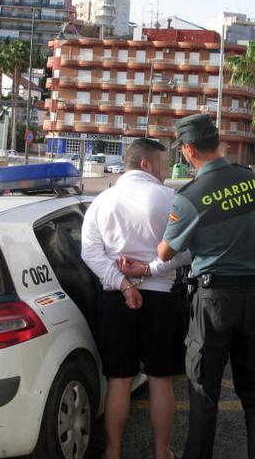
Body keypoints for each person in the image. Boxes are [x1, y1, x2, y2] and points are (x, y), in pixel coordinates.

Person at [157, 114, 255, 459]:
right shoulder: (248, 179)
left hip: (214, 301)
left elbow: (165, 252)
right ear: (217, 141)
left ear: (189, 149)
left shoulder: (189, 196)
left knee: (204, 391)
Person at [81, 138, 191, 459]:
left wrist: (123, 283)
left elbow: (90, 252)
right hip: (162, 300)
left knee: (119, 379)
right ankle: (161, 452)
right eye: (164, 162)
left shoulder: (102, 201)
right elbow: (187, 252)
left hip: (117, 301)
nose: (168, 169)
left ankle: (113, 452)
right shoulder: (171, 198)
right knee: (160, 380)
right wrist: (150, 269)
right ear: (146, 163)